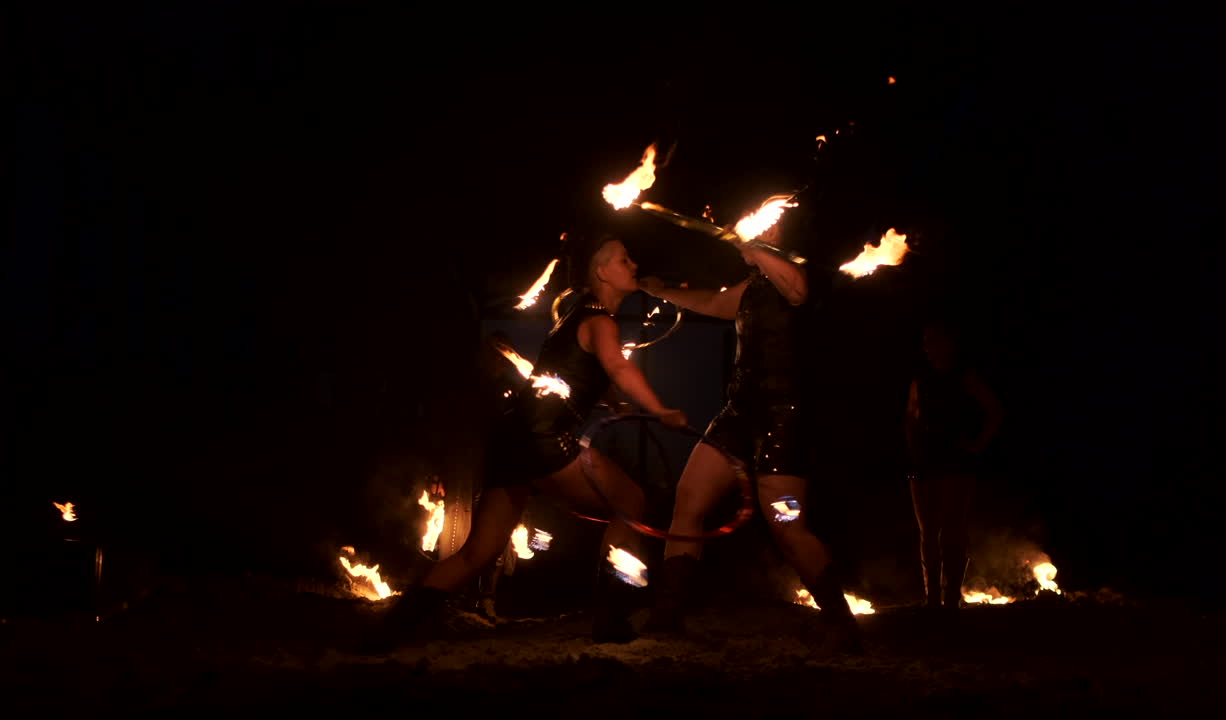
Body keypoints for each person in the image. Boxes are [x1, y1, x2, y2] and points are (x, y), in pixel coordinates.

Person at [365, 234, 688, 650]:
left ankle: (387, 634)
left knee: (476, 553)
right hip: (543, 440)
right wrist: (660, 411)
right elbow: (618, 366)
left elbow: (571, 375)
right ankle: (610, 618)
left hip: (513, 441)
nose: (634, 264)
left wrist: (610, 402)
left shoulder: (574, 318)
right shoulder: (600, 321)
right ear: (602, 272)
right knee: (631, 502)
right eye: (623, 260)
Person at [636, 223, 864, 655]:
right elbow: (711, 302)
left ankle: (841, 622)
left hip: (785, 419)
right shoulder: (753, 284)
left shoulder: (799, 270)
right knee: (689, 500)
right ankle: (668, 612)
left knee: (786, 524)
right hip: (738, 415)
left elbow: (797, 291)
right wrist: (661, 290)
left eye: (763, 226)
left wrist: (749, 243)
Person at [904, 322, 1003, 611]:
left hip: (955, 462)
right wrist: (912, 447)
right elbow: (910, 415)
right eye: (925, 342)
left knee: (953, 532)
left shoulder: (963, 375)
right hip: (924, 462)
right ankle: (933, 597)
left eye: (932, 341)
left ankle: (950, 598)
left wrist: (976, 445)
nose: (926, 347)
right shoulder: (920, 378)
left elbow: (995, 411)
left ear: (948, 343)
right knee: (929, 532)